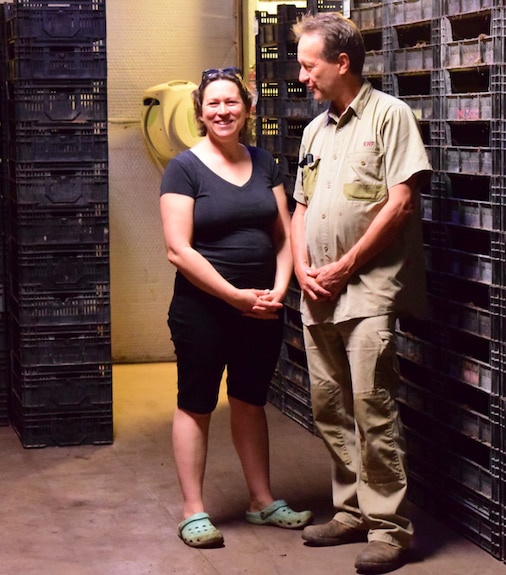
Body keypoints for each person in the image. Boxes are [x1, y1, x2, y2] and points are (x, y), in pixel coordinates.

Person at [290, 13, 432, 574]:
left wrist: (345, 264)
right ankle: (349, 510)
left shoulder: (390, 116)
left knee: (373, 409)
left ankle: (390, 528)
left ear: (341, 62)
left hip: (368, 291)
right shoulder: (314, 131)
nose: (302, 76)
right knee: (328, 407)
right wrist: (303, 266)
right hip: (317, 292)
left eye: (308, 65)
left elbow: (401, 203)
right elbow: (301, 205)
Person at [159, 67, 312, 548]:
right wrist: (233, 295)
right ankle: (193, 511)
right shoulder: (183, 168)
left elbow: (284, 235)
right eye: (213, 104)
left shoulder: (265, 162)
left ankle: (262, 500)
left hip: (262, 307)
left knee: (250, 399)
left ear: (247, 109)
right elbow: (178, 250)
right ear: (200, 113)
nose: (222, 111)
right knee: (196, 402)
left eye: (231, 103)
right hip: (203, 308)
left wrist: (278, 290)